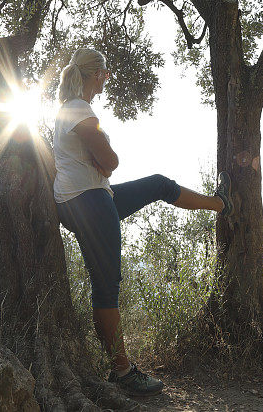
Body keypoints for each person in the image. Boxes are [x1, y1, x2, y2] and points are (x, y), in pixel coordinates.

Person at [53, 48, 232, 397]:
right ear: (94, 75)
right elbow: (111, 161)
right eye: (104, 74)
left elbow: (102, 164)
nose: (106, 80)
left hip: (89, 198)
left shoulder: (70, 111)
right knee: (106, 288)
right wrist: (106, 149)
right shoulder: (79, 110)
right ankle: (122, 372)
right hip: (90, 202)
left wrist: (103, 155)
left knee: (158, 184)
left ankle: (220, 204)